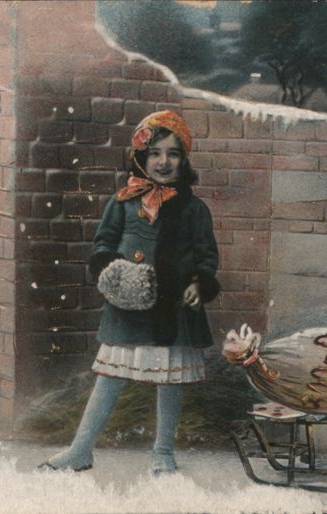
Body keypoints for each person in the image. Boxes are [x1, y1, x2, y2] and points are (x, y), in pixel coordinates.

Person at [39, 110, 220, 475]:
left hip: (172, 308)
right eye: (154, 153)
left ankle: (163, 452)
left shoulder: (194, 209)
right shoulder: (122, 202)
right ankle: (80, 449)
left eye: (173, 153)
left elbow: (206, 255)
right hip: (128, 306)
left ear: (183, 159)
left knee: (168, 380)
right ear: (140, 156)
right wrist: (112, 272)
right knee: (110, 376)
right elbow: (103, 245)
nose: (163, 161)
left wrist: (199, 284)